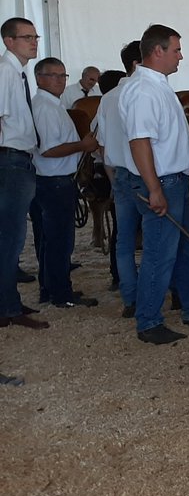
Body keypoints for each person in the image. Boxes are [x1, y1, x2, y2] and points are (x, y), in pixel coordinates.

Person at [119, 24, 189, 345]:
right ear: (158, 52)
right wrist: (154, 189)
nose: (181, 56)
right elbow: (140, 142)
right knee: (159, 253)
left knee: (184, 247)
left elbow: (178, 131)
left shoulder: (160, 86)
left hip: (175, 180)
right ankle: (149, 321)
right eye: (176, 49)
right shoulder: (142, 91)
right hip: (162, 181)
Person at [29, 57, 100, 309]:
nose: (59, 80)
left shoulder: (48, 105)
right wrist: (84, 145)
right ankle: (61, 293)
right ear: (39, 78)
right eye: (53, 75)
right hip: (54, 181)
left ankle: (50, 289)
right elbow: (48, 150)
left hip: (48, 180)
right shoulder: (45, 108)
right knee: (59, 241)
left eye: (63, 76)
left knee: (48, 239)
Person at [0, 18, 48, 331]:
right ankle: (7, 307)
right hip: (10, 161)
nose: (33, 42)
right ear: (9, 41)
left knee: (11, 239)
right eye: (26, 37)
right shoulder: (5, 72)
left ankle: (8, 301)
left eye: (35, 36)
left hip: (18, 160)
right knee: (10, 239)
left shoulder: (17, 72)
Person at [93, 41, 143, 317]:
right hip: (145, 175)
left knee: (124, 239)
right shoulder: (141, 93)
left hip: (120, 175)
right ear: (138, 63)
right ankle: (155, 297)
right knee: (157, 239)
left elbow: (102, 145)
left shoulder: (108, 98)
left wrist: (113, 179)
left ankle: (131, 299)